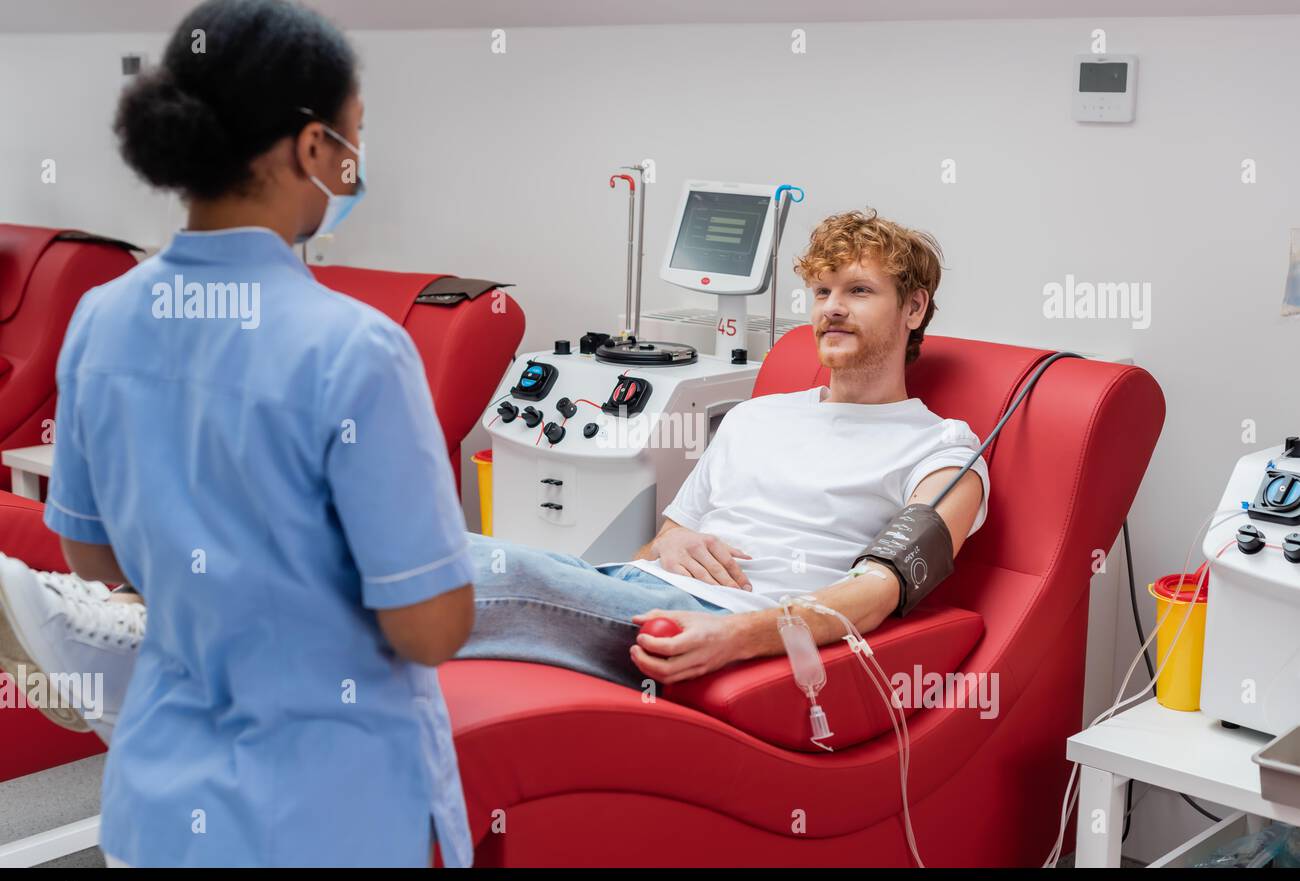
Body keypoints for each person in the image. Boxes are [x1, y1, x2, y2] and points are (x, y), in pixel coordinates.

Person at [4, 208, 988, 747]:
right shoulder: (760, 416)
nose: (829, 309)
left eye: (857, 290)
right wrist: (675, 541)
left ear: (915, 308)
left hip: (731, 639)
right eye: (819, 290)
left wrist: (736, 633)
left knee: (455, 564)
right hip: (645, 596)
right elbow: (653, 549)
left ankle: (137, 647)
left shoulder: (942, 447)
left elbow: (884, 586)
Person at [1, 0, 477, 867]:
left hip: (158, 794)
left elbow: (93, 558)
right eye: (352, 137)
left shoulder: (100, 321)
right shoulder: (358, 349)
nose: (354, 163)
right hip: (323, 810)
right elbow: (430, 627)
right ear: (309, 148)